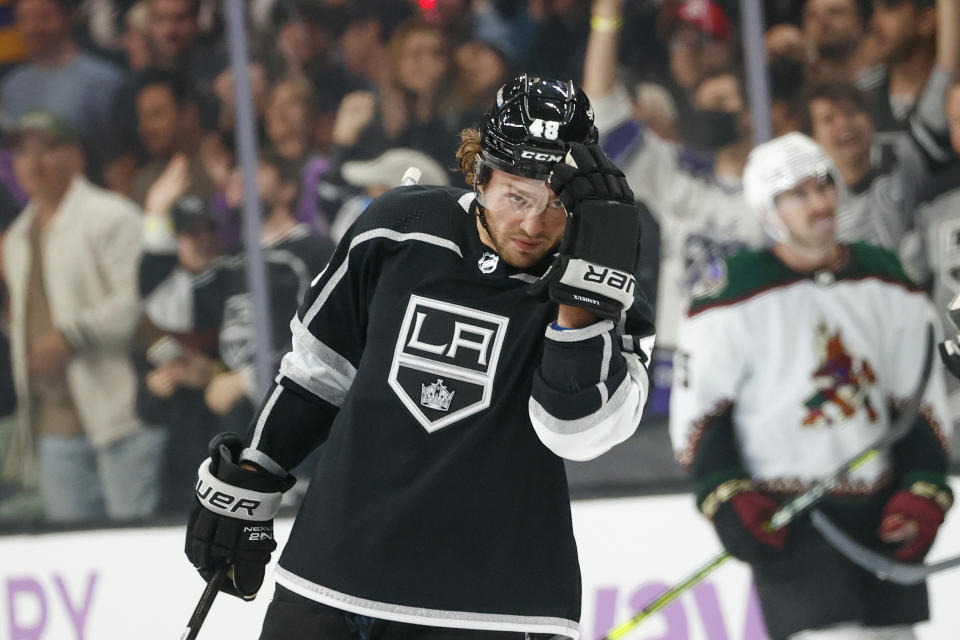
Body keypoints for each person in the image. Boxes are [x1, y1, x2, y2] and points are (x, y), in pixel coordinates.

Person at [184, 74, 655, 639]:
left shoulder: (610, 294)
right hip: (330, 578)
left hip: (497, 607)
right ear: (480, 174)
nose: (533, 224)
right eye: (517, 196)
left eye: (556, 203)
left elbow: (572, 434)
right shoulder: (398, 228)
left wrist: (582, 302)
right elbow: (320, 371)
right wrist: (256, 470)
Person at [670, 132, 952, 639]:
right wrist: (727, 495)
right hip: (792, 521)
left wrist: (924, 488)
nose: (820, 203)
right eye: (798, 195)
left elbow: (920, 400)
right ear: (767, 209)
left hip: (882, 514)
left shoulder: (886, 278)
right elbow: (702, 410)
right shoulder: (732, 294)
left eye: (823, 186)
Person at [2, 111, 164, 522]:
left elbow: (140, 302)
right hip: (53, 423)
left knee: (131, 548)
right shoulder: (18, 237)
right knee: (74, 550)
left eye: (48, 148)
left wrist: (72, 337)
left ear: (76, 156)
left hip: (120, 412)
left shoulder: (111, 216)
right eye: (23, 152)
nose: (33, 162)